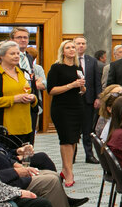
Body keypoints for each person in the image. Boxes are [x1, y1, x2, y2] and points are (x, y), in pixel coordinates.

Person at [47, 40, 87, 186]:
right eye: (68, 47)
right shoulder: (56, 68)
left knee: (74, 139)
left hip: (77, 106)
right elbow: (51, 90)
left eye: (73, 47)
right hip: (62, 108)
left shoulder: (78, 67)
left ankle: (66, 168)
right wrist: (72, 85)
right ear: (62, 51)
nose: (71, 49)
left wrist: (82, 88)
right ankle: (69, 172)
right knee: (66, 139)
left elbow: (82, 89)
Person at [0, 40, 37, 143]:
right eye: (12, 54)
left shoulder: (23, 72)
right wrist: (14, 99)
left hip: (26, 125)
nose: (16, 56)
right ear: (1, 56)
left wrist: (33, 98)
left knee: (26, 155)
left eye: (18, 53)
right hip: (6, 127)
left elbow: (33, 92)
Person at [75, 36, 103, 164]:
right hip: (73, 99)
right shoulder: (68, 61)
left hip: (89, 100)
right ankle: (72, 155)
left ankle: (89, 155)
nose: (81, 46)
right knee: (74, 129)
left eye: (83, 43)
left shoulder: (92, 61)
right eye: (78, 43)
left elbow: (97, 81)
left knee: (88, 130)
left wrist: (98, 97)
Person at [10, 27, 41, 140]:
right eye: (19, 37)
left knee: (29, 140)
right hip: (15, 103)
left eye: (25, 37)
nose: (23, 40)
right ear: (12, 40)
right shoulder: (5, 57)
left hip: (30, 103)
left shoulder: (28, 57)